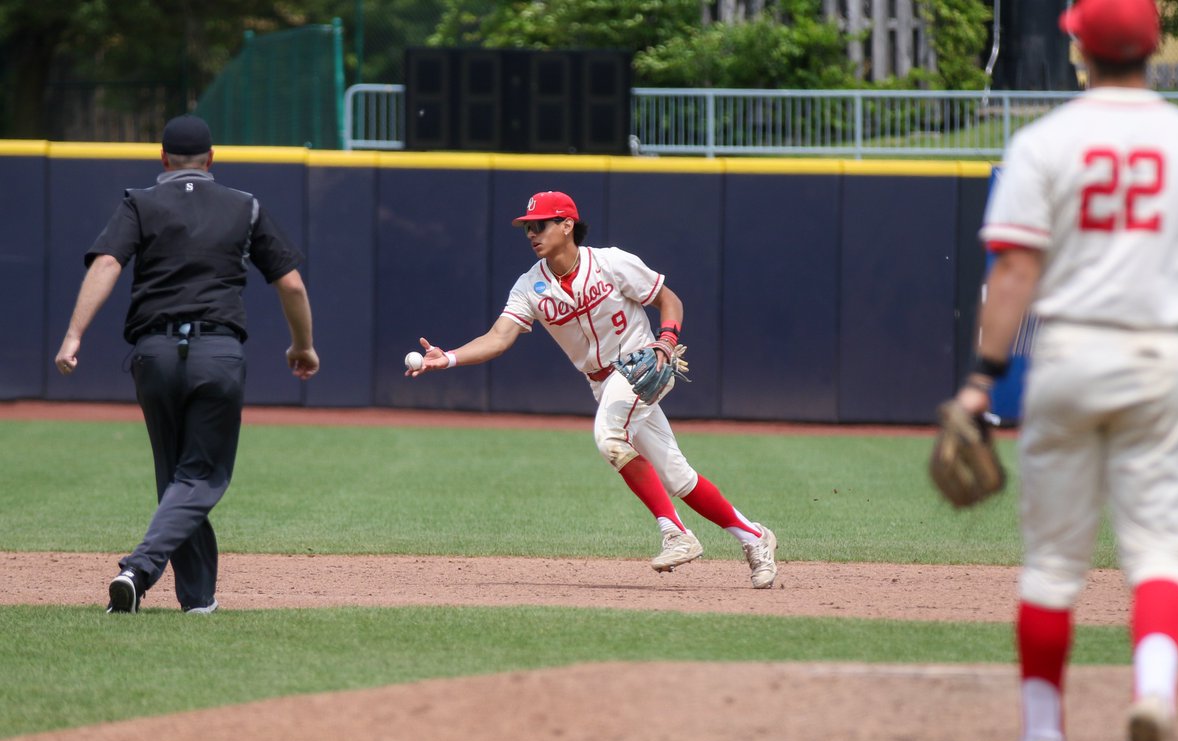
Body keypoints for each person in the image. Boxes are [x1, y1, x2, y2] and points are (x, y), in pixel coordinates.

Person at [952, 1, 1178, 741]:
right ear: (1155, 53)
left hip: (1067, 354)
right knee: (1159, 552)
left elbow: (1015, 272)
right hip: (1160, 357)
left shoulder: (1045, 142)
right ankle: (1152, 699)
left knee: (1054, 567)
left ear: (1080, 53)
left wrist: (984, 379)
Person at [408, 190, 778, 589]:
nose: (532, 233)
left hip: (644, 365)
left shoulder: (611, 262)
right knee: (678, 476)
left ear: (567, 225)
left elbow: (668, 299)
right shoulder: (530, 285)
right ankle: (756, 537)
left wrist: (667, 340)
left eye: (541, 224)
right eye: (527, 227)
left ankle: (675, 532)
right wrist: (448, 358)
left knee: (608, 436)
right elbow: (499, 337)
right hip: (603, 384)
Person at [54, 114, 319, 614]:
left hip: (153, 354)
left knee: (177, 476)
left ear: (163, 158)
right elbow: (291, 285)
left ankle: (198, 600)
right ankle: (139, 568)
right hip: (217, 353)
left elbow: (107, 263)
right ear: (213, 159)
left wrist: (73, 335)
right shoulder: (245, 206)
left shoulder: (140, 202)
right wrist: (302, 345)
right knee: (200, 477)